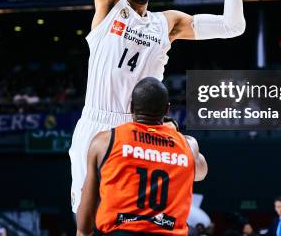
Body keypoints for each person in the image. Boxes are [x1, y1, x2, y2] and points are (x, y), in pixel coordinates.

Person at [69, 0, 246, 213]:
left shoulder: (167, 23)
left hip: (140, 130)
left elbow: (233, 27)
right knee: (85, 216)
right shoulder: (109, 7)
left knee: (134, 217)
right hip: (95, 122)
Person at [76, 77, 208, 235]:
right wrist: (173, 134)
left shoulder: (104, 141)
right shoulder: (187, 145)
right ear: (167, 109)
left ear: (131, 106)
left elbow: (86, 213)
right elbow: (201, 173)